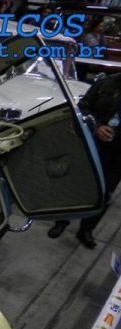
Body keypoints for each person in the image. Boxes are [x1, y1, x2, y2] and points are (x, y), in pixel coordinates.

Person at [48, 73, 121, 248]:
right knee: (76, 185)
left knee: (105, 193)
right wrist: (97, 126)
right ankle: (62, 221)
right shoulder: (104, 84)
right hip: (92, 146)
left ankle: (86, 229)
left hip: (117, 156)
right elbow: (82, 107)